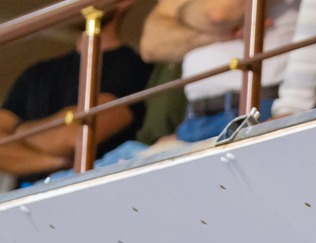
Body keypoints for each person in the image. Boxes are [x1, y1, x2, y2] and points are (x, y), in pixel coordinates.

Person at [0, 10, 153, 185]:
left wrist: (19, 133)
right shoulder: (36, 73)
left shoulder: (135, 67)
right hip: (29, 197)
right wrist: (58, 162)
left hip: (98, 192)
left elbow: (76, 134)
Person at [141, 0, 300, 142]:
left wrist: (180, 10)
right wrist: (224, 34)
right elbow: (151, 45)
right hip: (195, 120)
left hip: (259, 108)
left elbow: (221, 12)